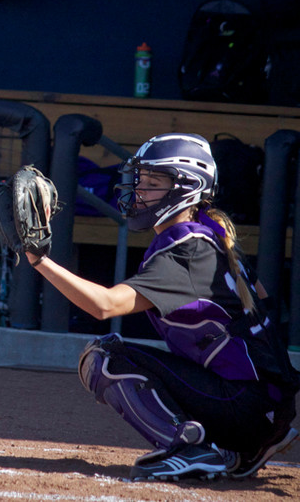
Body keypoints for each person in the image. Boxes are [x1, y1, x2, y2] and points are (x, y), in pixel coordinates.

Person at [31, 133, 299, 482]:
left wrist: (38, 259)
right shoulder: (210, 231)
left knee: (104, 357)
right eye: (140, 181)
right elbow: (260, 298)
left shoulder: (186, 247)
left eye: (153, 183)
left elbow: (103, 306)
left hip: (247, 406)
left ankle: (187, 448)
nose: (140, 191)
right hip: (265, 407)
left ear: (186, 188)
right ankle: (248, 446)